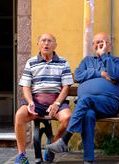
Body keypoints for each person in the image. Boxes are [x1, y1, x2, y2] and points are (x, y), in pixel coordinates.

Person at [47, 32, 119, 164]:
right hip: (88, 105)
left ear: (109, 46)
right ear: (93, 45)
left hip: (109, 103)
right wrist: (100, 73)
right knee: (88, 115)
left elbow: (115, 75)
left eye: (103, 42)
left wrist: (105, 56)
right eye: (97, 42)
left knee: (85, 99)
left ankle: (65, 140)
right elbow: (77, 75)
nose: (100, 44)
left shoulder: (116, 60)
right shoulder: (86, 61)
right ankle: (88, 160)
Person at [14, 33, 74, 164]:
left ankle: (52, 145)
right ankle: (21, 155)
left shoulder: (63, 62)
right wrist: (30, 102)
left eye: (49, 41)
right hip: (36, 101)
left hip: (56, 101)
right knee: (19, 115)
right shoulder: (31, 62)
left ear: (55, 45)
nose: (46, 43)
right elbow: (26, 86)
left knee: (68, 118)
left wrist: (57, 103)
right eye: (43, 40)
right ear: (38, 44)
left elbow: (66, 87)